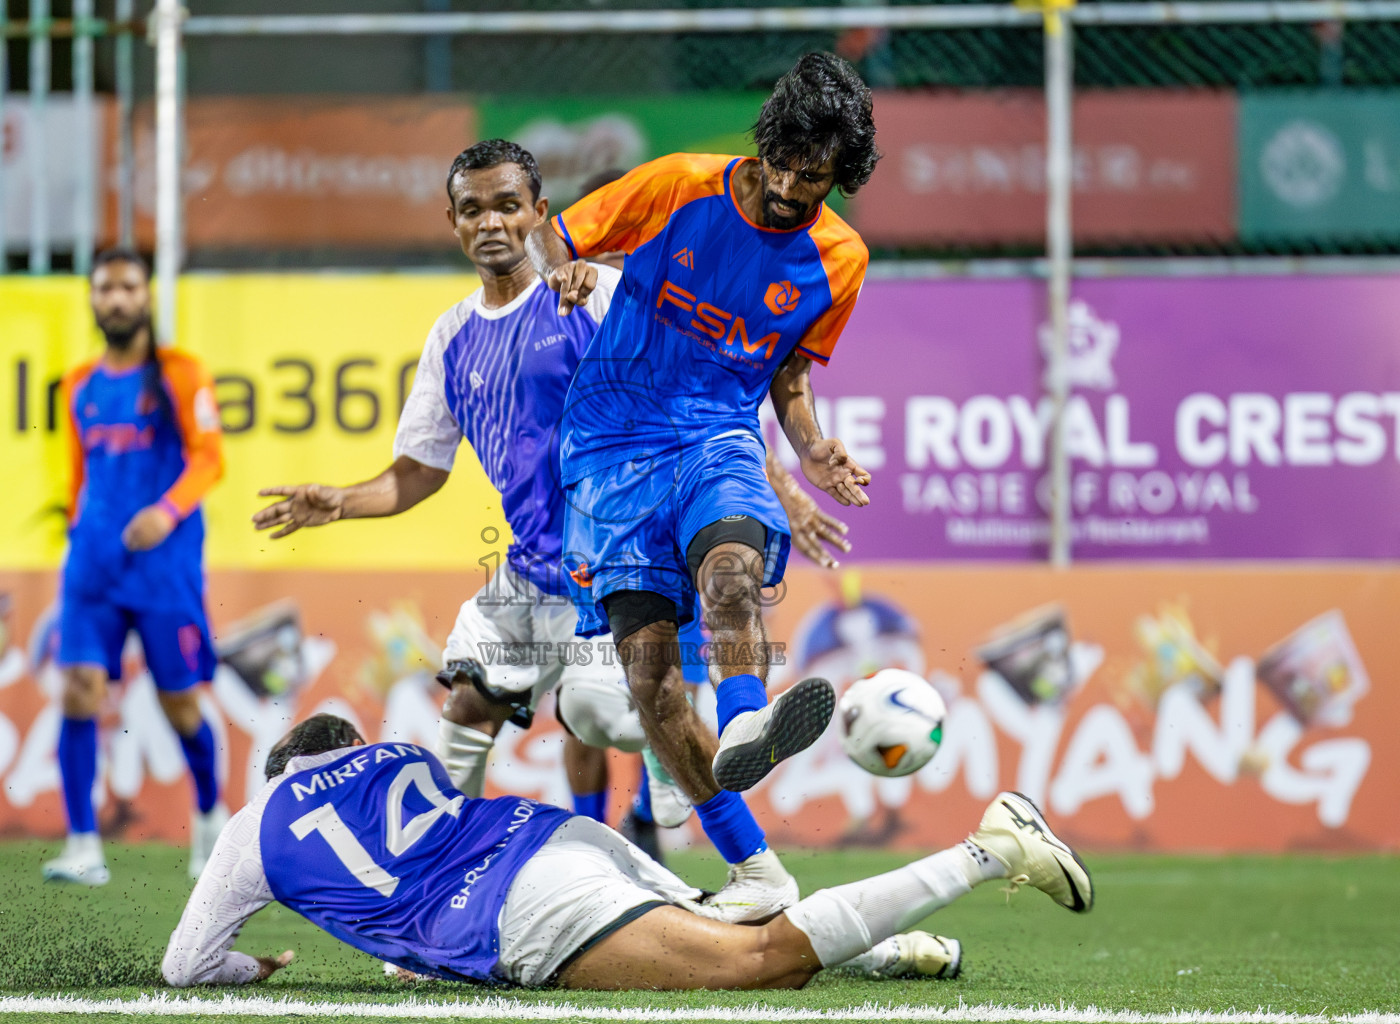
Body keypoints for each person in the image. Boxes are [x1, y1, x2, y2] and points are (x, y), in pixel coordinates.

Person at [252, 142, 823, 919]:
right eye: (473, 209)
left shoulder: (597, 297)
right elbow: (417, 472)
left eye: (508, 205)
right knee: (466, 710)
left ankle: (692, 778)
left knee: (596, 714)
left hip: (614, 557)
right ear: (452, 224)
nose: (493, 223)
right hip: (529, 569)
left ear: (539, 213)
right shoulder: (450, 338)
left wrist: (780, 485)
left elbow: (706, 396)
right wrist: (341, 502)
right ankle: (436, 895)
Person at [523, 53, 878, 822]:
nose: (788, 188)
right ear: (766, 143)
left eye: (812, 177)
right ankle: (728, 858)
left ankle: (747, 718)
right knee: (650, 685)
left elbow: (789, 376)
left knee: (732, 577)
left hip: (717, 438)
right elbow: (556, 235)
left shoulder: (842, 260)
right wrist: (563, 272)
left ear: (842, 172)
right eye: (781, 164)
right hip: (612, 443)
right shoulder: (680, 183)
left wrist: (812, 447)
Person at [162, 714, 1093, 990]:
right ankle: (890, 952)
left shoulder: (252, 826)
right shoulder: (396, 751)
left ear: (277, 770)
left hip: (520, 909)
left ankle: (987, 847)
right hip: (554, 833)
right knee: (722, 918)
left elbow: (185, 965)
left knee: (754, 966)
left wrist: (261, 964)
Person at [43, 248, 226, 887]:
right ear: (92, 300)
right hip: (93, 569)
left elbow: (209, 460)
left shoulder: (181, 374)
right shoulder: (79, 385)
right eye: (104, 289)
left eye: (126, 287)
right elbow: (77, 472)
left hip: (163, 569)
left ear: (146, 295)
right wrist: (75, 529)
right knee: (78, 690)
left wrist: (166, 512)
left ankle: (209, 816)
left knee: (180, 703)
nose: (115, 299)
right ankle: (82, 844)